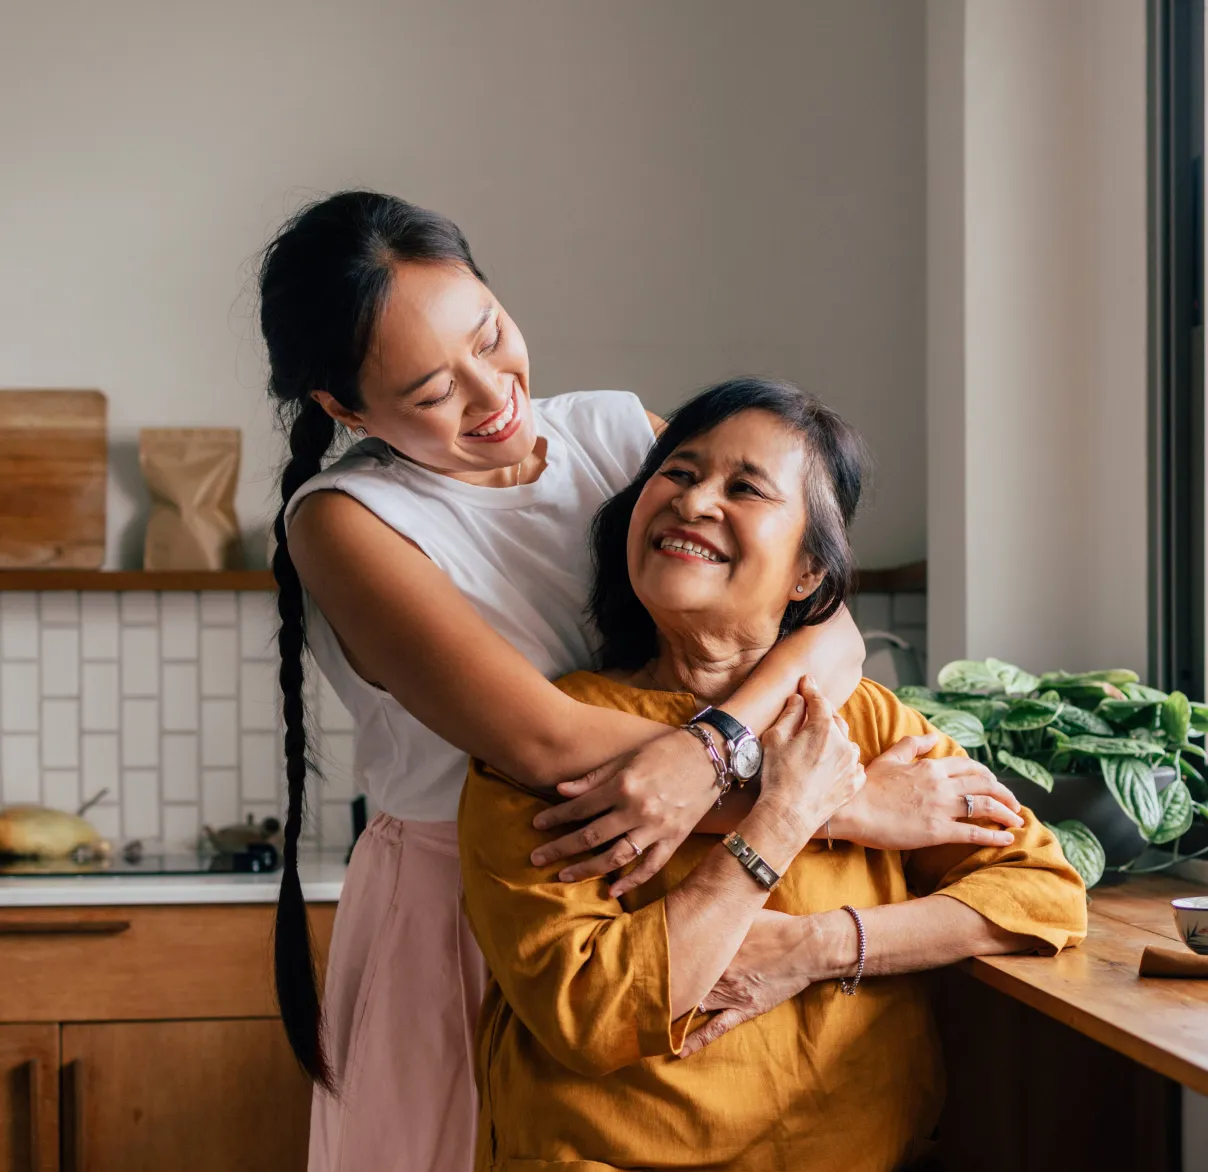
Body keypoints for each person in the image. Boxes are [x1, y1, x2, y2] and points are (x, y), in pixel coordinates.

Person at [260, 192, 1026, 1170]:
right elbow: (543, 745)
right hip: (473, 907)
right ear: (342, 408)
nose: (489, 389)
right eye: (427, 391)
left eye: (489, 334)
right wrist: (845, 803)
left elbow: (825, 623)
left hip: (666, 895)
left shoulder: (617, 432)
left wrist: (713, 750)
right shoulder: (345, 521)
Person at [459, 378, 1087, 1172]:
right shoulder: (550, 744)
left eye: (745, 488)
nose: (693, 502)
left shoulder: (867, 724)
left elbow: (1043, 893)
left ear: (808, 575)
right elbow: (592, 1011)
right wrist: (783, 816)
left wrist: (819, 946)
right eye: (679, 474)